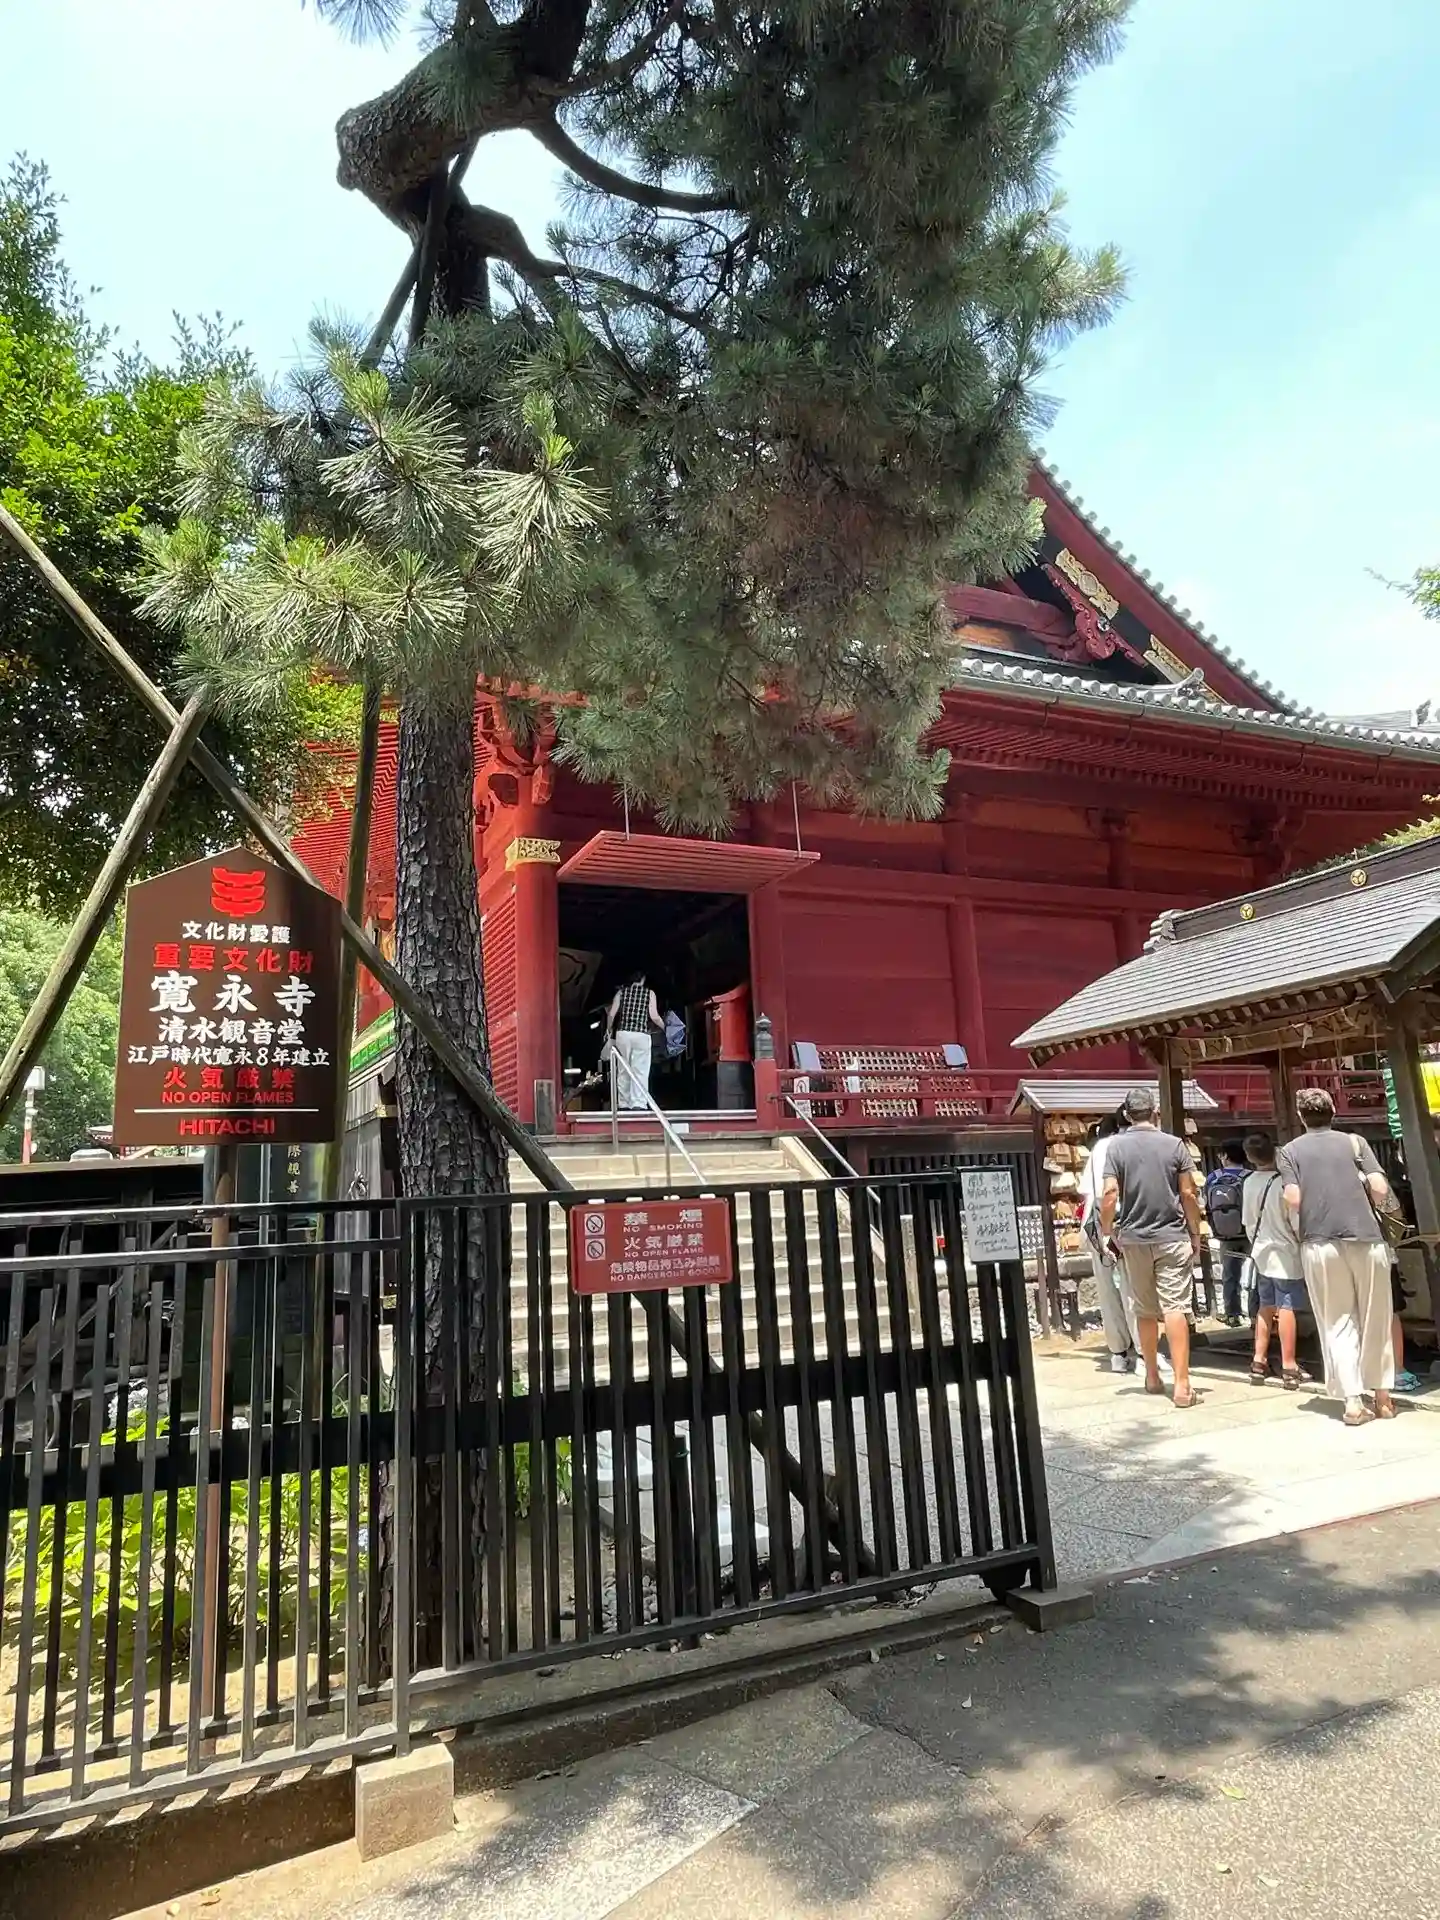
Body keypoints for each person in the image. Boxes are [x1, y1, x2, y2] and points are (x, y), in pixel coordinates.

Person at [1277, 1088, 1394, 1426]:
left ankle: (1353, 1402)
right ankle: (1383, 1397)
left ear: (1301, 1117)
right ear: (1333, 1112)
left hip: (1319, 1242)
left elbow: (1293, 1198)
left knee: (1336, 1319)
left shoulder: (1289, 1151)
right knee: (1376, 1315)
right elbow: (1380, 1189)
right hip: (1366, 1237)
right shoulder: (1355, 1143)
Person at [1100, 1086, 1202, 1408]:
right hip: (1172, 1235)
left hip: (1134, 1238)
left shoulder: (1116, 1147)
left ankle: (1153, 1376)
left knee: (1143, 1309)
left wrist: (1107, 1231)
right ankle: (1182, 1385)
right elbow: (1188, 1193)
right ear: (1155, 1111)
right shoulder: (1175, 1145)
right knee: (1175, 1307)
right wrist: (1195, 1232)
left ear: (1127, 1115)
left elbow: (1110, 1193)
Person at [1241, 1131, 1308, 1389]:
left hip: (1261, 1252)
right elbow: (1296, 1221)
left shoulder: (1248, 1182)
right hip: (1286, 1253)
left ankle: (1258, 1361)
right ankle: (1289, 1365)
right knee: (1287, 1307)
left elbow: (1247, 1222)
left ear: (1250, 1157)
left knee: (1265, 1306)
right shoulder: (1284, 1184)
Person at [1080, 1111, 1139, 1374]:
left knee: (1107, 1290)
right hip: (1124, 1223)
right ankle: (1143, 1351)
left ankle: (1118, 1352)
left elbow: (1089, 1191)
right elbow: (1111, 1192)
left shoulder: (1098, 1148)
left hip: (1096, 1224)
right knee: (1134, 1290)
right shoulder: (1128, 1144)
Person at [1205, 1139, 1251, 1326]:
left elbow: (1207, 1205)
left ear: (1225, 1156)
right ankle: (1254, 1313)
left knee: (1230, 1274)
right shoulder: (1250, 1176)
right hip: (1249, 1232)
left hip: (1225, 1234)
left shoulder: (1213, 1177)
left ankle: (1233, 1313)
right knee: (1253, 1274)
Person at [605, 970, 660, 1111]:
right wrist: (666, 1027)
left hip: (623, 1034)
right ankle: (638, 1103)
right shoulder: (649, 993)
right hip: (641, 1034)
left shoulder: (621, 993)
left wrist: (608, 1029)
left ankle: (623, 1104)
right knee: (640, 1070)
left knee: (623, 1069)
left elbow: (611, 1014)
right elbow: (654, 1016)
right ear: (643, 979)